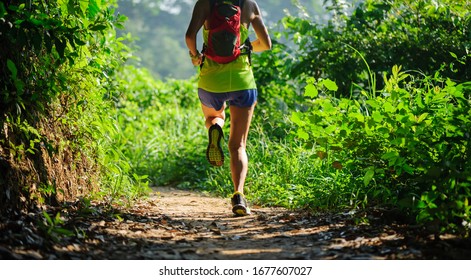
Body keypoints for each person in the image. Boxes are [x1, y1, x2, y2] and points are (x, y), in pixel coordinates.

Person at [185, 0, 271, 216]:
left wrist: (196, 57)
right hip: (242, 82)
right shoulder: (249, 4)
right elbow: (266, 43)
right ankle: (238, 194)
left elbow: (189, 36)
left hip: (211, 81)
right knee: (238, 146)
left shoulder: (205, 3)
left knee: (213, 116)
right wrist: (246, 45)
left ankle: (216, 126)